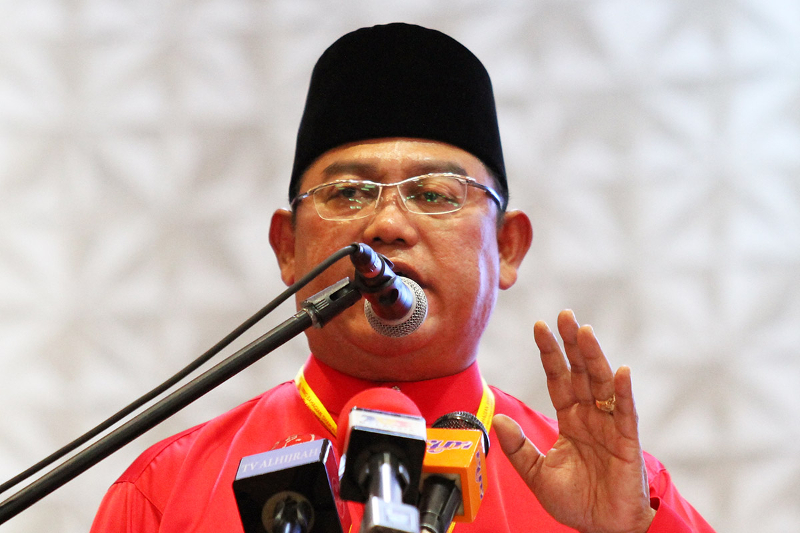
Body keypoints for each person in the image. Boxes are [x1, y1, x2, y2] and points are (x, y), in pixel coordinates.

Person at [90, 23, 715, 532]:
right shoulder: (163, 492)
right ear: (287, 247)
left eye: (436, 194)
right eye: (349, 191)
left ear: (508, 245)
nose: (387, 224)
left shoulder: (621, 495)